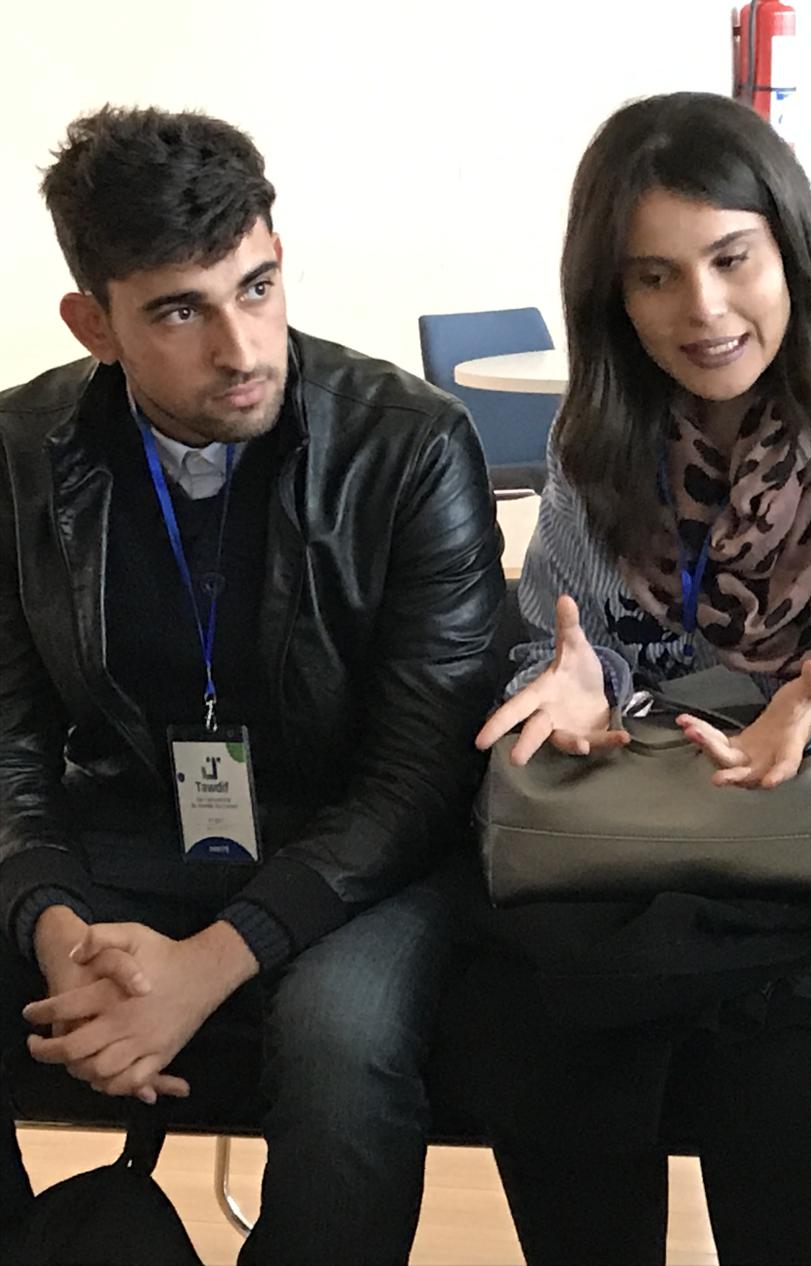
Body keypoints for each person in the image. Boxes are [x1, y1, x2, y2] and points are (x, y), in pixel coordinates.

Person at [449, 91, 811, 1265]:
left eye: (729, 259)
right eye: (653, 278)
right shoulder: (597, 433)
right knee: (536, 1018)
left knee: (781, 1040)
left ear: (788, 247)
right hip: (647, 817)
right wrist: (569, 680)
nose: (700, 311)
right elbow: (564, 641)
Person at [0, 107, 504, 1264]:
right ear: (96, 323)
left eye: (259, 285)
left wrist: (203, 969)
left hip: (361, 850)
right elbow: (9, 741)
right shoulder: (19, 452)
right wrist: (55, 921)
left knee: (340, 1039)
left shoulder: (409, 444)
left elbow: (420, 773)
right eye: (182, 309)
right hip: (132, 824)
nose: (242, 346)